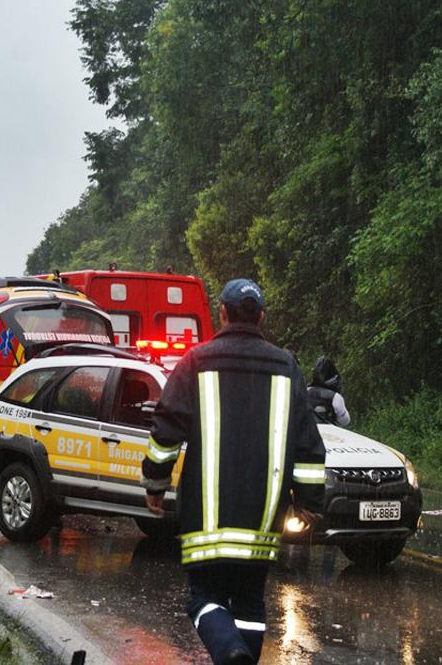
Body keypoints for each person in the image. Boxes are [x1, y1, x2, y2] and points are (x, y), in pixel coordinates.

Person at [142, 279, 327, 664]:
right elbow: (308, 444)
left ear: (221, 313)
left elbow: (165, 431)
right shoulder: (287, 366)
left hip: (208, 519)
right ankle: (240, 656)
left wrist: (155, 484)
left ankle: (229, 652)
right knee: (249, 605)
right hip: (262, 517)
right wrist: (309, 504)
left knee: (203, 598)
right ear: (261, 317)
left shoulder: (195, 361)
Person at [306, 356, 351, 427]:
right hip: (328, 434)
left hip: (303, 433)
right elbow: (345, 421)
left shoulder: (303, 391)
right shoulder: (335, 397)